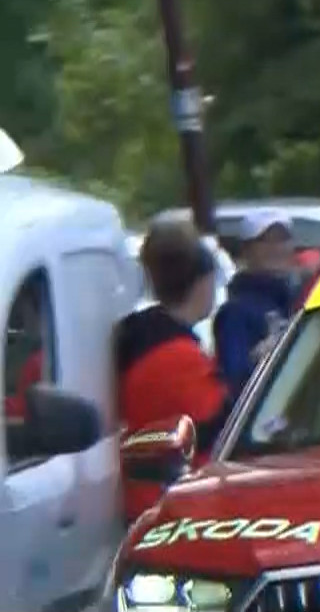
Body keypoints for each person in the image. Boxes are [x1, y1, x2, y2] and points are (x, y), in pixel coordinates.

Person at [116, 220, 231, 518]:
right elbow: (220, 430)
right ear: (202, 282)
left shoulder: (143, 341)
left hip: (149, 500)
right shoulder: (180, 359)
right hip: (176, 506)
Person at [212, 209, 299, 393]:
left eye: (282, 239)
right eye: (265, 241)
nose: (276, 248)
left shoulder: (300, 298)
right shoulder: (235, 313)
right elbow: (235, 381)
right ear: (246, 250)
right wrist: (262, 356)